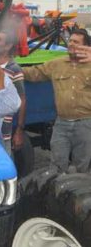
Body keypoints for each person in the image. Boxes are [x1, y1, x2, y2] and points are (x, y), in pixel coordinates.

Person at [23, 29, 91, 173]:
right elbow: (34, 73)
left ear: (85, 46)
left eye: (76, 42)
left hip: (85, 124)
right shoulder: (56, 64)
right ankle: (55, 192)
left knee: (82, 166)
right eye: (70, 41)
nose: (71, 44)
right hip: (61, 124)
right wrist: (8, 68)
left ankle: (78, 193)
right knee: (56, 164)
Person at [0, 30, 26, 156]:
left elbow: (22, 100)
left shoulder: (14, 70)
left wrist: (19, 130)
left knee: (5, 164)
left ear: (8, 46)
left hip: (3, 132)